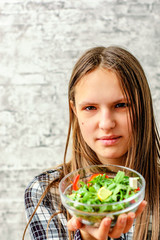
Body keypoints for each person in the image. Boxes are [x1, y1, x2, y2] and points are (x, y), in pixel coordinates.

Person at [23, 46, 160, 240]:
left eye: (121, 105)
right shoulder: (46, 193)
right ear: (74, 111)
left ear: (143, 106)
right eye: (90, 107)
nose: (106, 124)